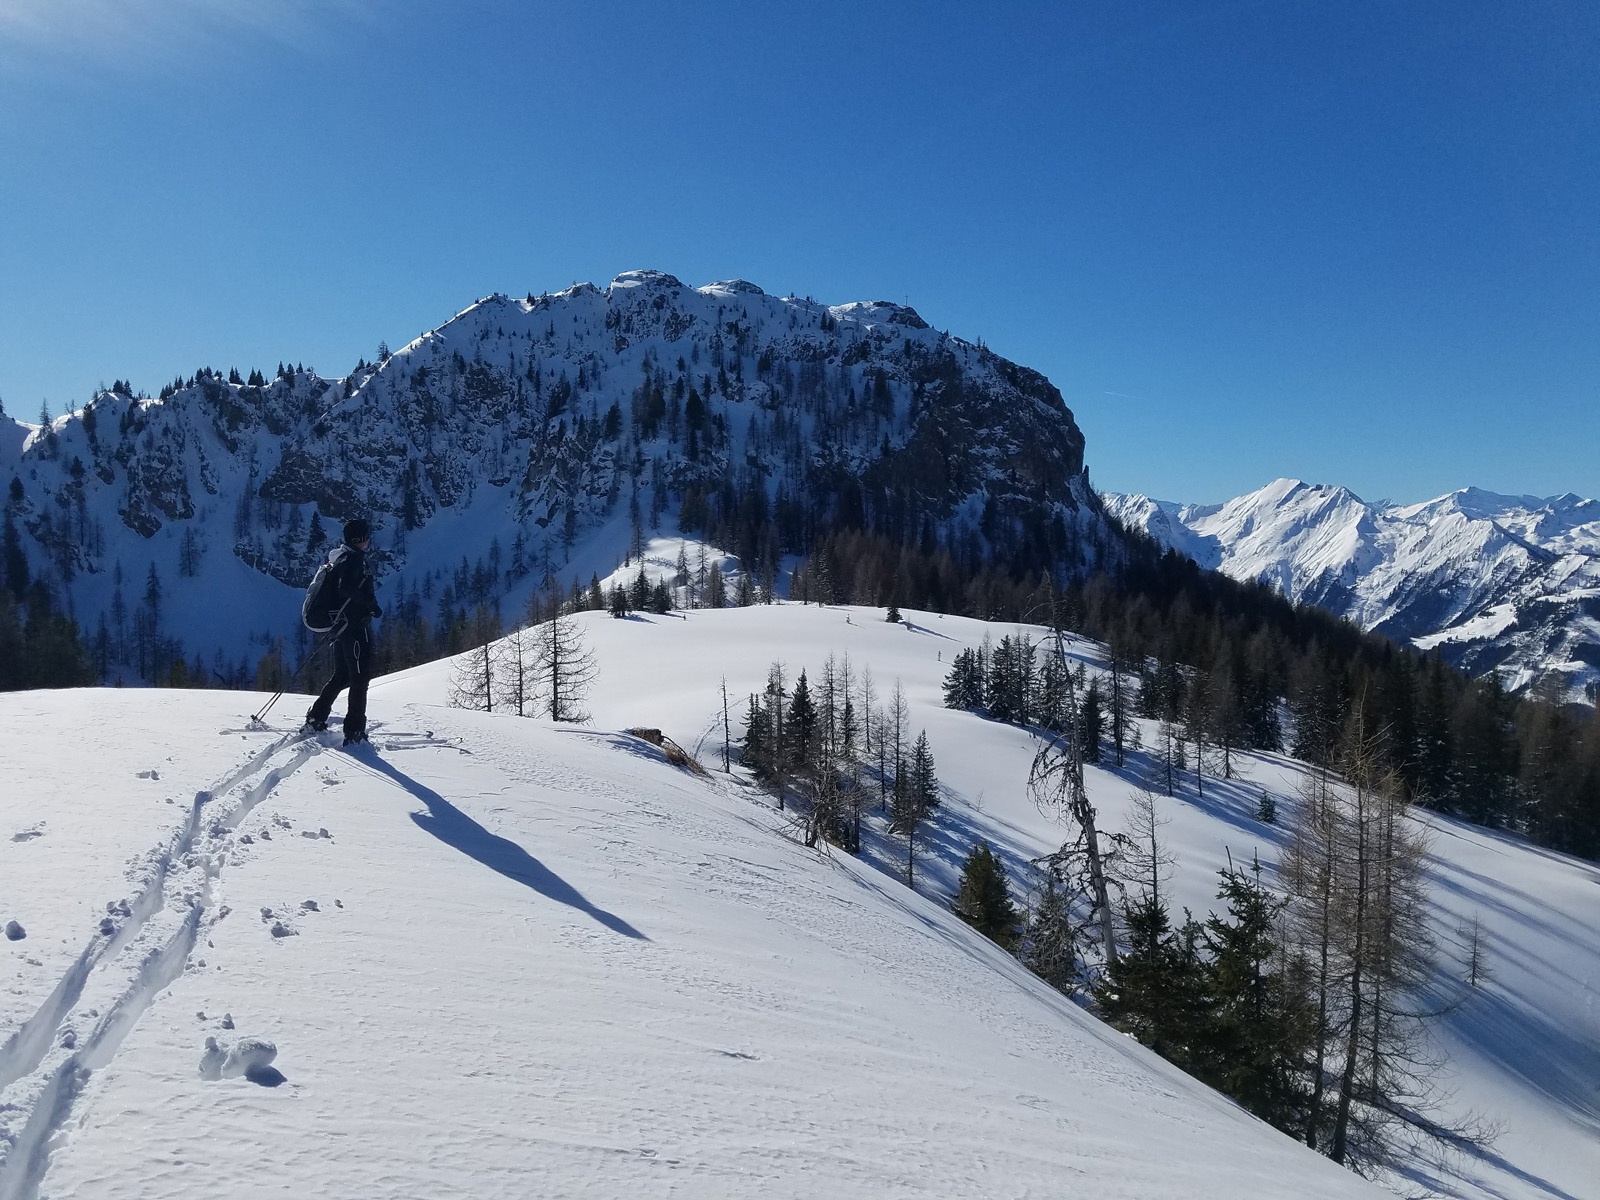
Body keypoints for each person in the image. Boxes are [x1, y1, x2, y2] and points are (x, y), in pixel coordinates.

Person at [305, 518, 382, 744]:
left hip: (341, 626)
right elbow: (346, 588)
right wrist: (370, 604)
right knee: (360, 678)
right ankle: (355, 731)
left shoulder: (340, 557)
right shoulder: (354, 560)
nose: (369, 539)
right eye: (366, 535)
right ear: (360, 538)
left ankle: (316, 717)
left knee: (343, 675)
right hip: (355, 627)